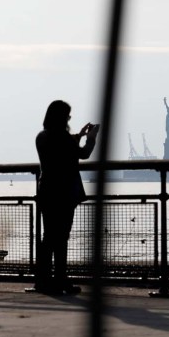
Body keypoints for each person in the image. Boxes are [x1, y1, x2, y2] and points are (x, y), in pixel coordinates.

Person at [32, 100, 100, 295]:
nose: (69, 118)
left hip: (47, 191)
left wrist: (77, 136)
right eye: (68, 116)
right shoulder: (63, 139)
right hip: (64, 193)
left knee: (49, 237)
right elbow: (83, 154)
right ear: (63, 118)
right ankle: (61, 279)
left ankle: (43, 280)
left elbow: (63, 152)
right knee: (61, 238)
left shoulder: (42, 137)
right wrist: (91, 138)